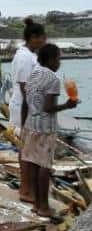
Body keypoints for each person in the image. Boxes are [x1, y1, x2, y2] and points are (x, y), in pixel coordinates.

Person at [21, 44, 76, 217]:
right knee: (44, 166)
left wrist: (23, 126)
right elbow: (48, 107)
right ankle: (44, 207)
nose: (60, 62)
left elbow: (25, 102)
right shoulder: (53, 79)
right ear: (51, 59)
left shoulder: (33, 74)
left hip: (30, 125)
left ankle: (37, 205)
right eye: (58, 58)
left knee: (34, 166)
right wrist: (67, 105)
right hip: (45, 129)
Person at [11, 18, 46, 203]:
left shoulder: (31, 55)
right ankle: (25, 190)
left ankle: (29, 187)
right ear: (33, 37)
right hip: (25, 109)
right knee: (27, 149)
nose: (44, 41)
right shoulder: (24, 57)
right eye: (42, 38)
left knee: (30, 149)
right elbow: (26, 89)